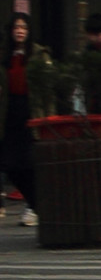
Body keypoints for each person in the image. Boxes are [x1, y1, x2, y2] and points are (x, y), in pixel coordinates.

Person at [0, 13, 54, 227]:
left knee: (29, 163)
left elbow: (47, 89)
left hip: (31, 112)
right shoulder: (5, 54)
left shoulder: (39, 54)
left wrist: (49, 118)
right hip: (8, 112)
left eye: (23, 27)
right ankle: (35, 204)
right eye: (16, 27)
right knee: (10, 165)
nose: (20, 31)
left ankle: (34, 206)